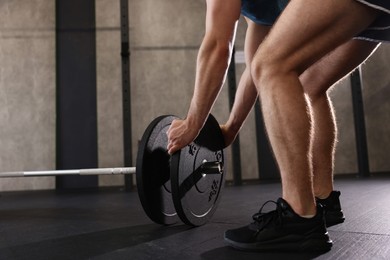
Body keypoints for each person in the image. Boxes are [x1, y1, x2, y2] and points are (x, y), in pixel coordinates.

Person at [167, 0, 389, 252]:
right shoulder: (260, 11)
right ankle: (323, 199)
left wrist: (193, 124)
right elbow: (256, 71)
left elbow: (217, 47)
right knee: (306, 84)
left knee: (275, 66)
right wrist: (231, 128)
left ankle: (299, 215)